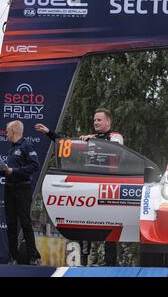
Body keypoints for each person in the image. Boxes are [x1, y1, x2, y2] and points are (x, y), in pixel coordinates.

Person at [35, 108, 123, 266]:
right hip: (91, 187)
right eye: (94, 120)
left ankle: (111, 263)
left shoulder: (115, 136)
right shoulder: (90, 138)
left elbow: (115, 147)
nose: (95, 122)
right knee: (86, 222)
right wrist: (49, 133)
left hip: (109, 187)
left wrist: (92, 140)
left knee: (110, 224)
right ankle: (83, 260)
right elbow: (66, 144)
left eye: (99, 120)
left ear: (108, 122)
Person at [2, 120, 41, 265]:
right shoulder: (12, 149)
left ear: (13, 130)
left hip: (22, 188)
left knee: (25, 222)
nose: (6, 134)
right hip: (10, 188)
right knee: (11, 223)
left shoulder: (26, 145)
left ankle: (33, 257)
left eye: (7, 131)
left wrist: (14, 171)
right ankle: (14, 257)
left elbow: (34, 165)